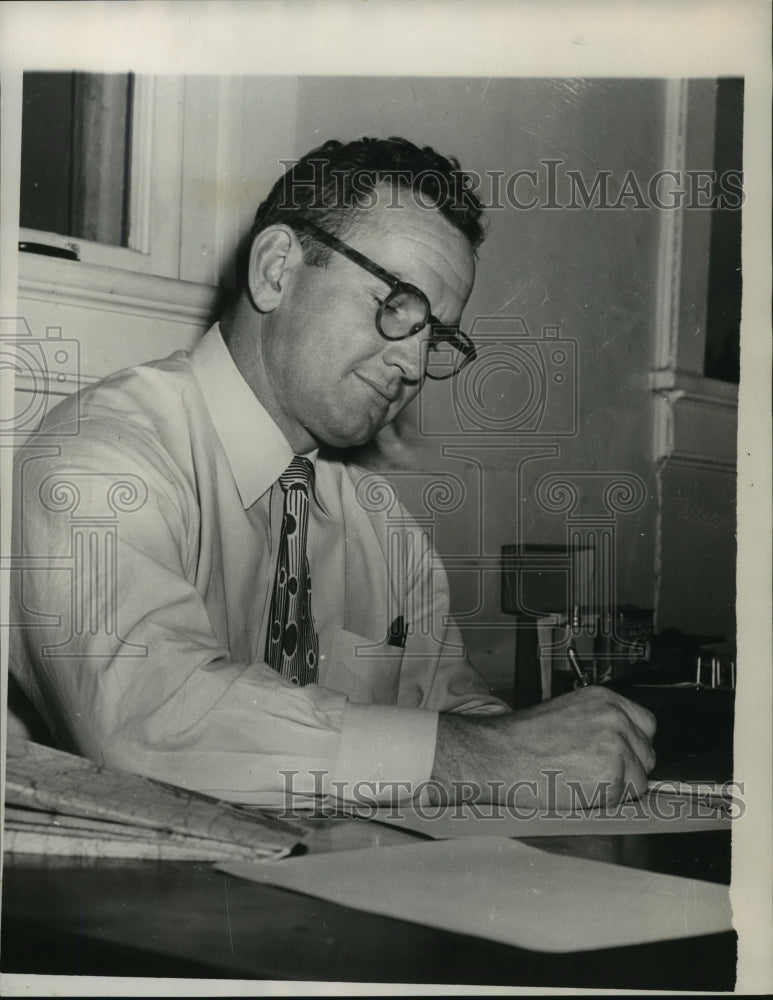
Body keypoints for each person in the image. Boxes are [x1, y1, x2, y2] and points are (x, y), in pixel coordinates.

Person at [10, 136, 656, 810]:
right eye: (395, 306)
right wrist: (491, 756)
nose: (411, 366)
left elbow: (453, 714)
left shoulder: (388, 533)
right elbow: (148, 719)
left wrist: (555, 750)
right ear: (276, 270)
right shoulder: (101, 457)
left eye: (433, 337)